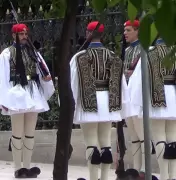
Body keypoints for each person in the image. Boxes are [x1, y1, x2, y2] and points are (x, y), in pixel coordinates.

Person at [0, 23, 55, 178]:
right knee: (17, 133)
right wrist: (3, 98)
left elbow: (41, 69)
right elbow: (1, 77)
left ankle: (27, 166)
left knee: (30, 133)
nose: (24, 36)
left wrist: (46, 79)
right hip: (15, 93)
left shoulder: (33, 52)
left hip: (33, 92)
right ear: (13, 35)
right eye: (21, 34)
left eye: (25, 33)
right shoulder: (7, 53)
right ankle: (18, 168)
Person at [70, 21, 130, 180]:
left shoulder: (79, 57)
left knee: (91, 143)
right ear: (102, 35)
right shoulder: (113, 56)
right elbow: (121, 84)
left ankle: (93, 178)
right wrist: (121, 106)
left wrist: (71, 105)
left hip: (88, 101)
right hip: (108, 103)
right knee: (106, 144)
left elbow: (73, 83)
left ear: (88, 33)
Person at [128, 37, 176, 180]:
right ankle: (173, 176)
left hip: (156, 96)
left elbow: (138, 81)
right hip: (173, 95)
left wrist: (136, 104)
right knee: (172, 138)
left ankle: (164, 175)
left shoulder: (148, 53)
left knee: (159, 137)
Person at [123, 20, 155, 176]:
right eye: (125, 30)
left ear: (137, 31)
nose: (125, 33)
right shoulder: (128, 50)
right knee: (133, 136)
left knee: (143, 135)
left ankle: (144, 170)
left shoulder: (147, 49)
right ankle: (136, 169)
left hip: (139, 97)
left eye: (128, 30)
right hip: (128, 96)